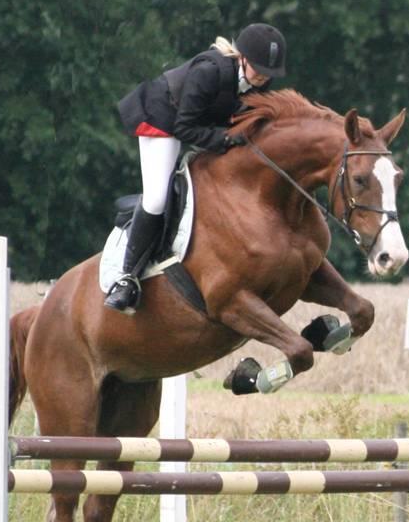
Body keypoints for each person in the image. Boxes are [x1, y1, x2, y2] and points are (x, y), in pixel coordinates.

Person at [105, 23, 287, 314]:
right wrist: (226, 138)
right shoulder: (210, 72)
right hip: (164, 120)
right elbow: (185, 127)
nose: (264, 76)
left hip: (198, 124)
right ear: (242, 58)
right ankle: (126, 277)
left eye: (269, 72)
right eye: (259, 68)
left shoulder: (258, 81)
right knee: (156, 198)